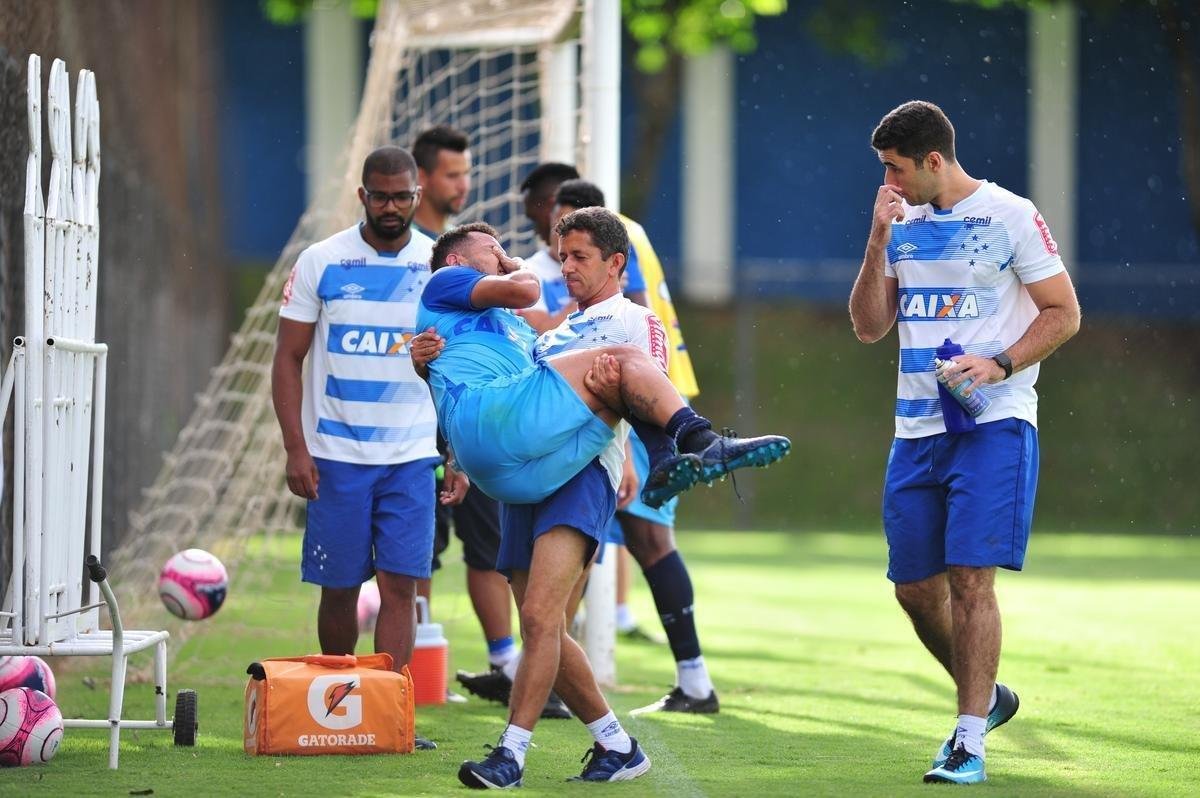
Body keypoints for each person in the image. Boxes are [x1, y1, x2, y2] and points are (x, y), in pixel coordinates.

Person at [415, 211, 787, 788]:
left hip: (583, 471)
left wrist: (643, 460)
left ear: (616, 263)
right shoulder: (545, 330)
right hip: (527, 468)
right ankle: (616, 745)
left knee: (540, 619)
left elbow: (643, 386)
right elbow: (500, 386)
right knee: (545, 629)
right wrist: (441, 406)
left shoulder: (635, 319)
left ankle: (511, 754)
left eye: (579, 257)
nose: (566, 267)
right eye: (562, 256)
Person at [849, 100, 1081, 785]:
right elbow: (868, 327)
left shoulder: (1010, 215)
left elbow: (1064, 312)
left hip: (993, 423)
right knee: (915, 591)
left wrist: (999, 362)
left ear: (933, 161)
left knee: (971, 581)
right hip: (915, 429)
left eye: (895, 170)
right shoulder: (899, 221)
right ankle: (989, 695)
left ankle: (968, 740)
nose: (887, 183)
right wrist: (875, 240)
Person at [271, 146, 468, 749]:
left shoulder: (439, 265)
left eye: (402, 196)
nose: (391, 206)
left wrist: (455, 452)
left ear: (417, 194)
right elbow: (287, 359)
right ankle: (340, 709)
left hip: (411, 457)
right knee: (339, 586)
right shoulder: (321, 261)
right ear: (362, 195)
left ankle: (392, 714)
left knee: (402, 586)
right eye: (380, 196)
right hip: (336, 455)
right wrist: (296, 449)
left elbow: (460, 363)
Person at [409, 126, 558, 712]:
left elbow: (539, 324)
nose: (501, 253)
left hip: (488, 443)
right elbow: (524, 291)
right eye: (490, 250)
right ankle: (418, 666)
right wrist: (518, 267)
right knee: (419, 553)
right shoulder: (449, 276)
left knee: (502, 554)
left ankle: (516, 664)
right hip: (452, 434)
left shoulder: (504, 321)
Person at [517, 162, 581, 333]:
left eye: (534, 218)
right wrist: (593, 292)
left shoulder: (619, 245)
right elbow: (537, 337)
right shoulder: (528, 272)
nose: (535, 230)